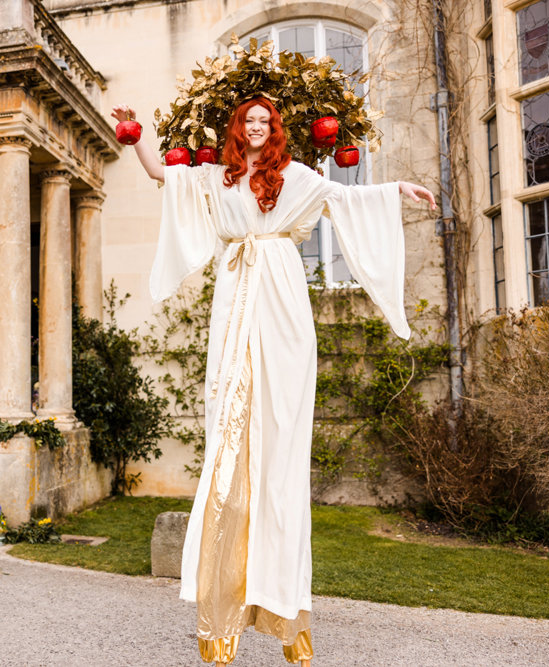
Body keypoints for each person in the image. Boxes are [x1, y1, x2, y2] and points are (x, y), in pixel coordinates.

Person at [111, 98, 436, 666]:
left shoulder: (299, 177)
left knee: (281, 441)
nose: (256, 128)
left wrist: (399, 190)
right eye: (248, 121)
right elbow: (161, 172)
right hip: (235, 299)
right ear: (237, 129)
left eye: (265, 121)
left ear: (275, 130)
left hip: (283, 301)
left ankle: (287, 611)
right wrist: (138, 131)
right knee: (230, 440)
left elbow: (347, 199)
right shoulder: (216, 176)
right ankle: (221, 619)